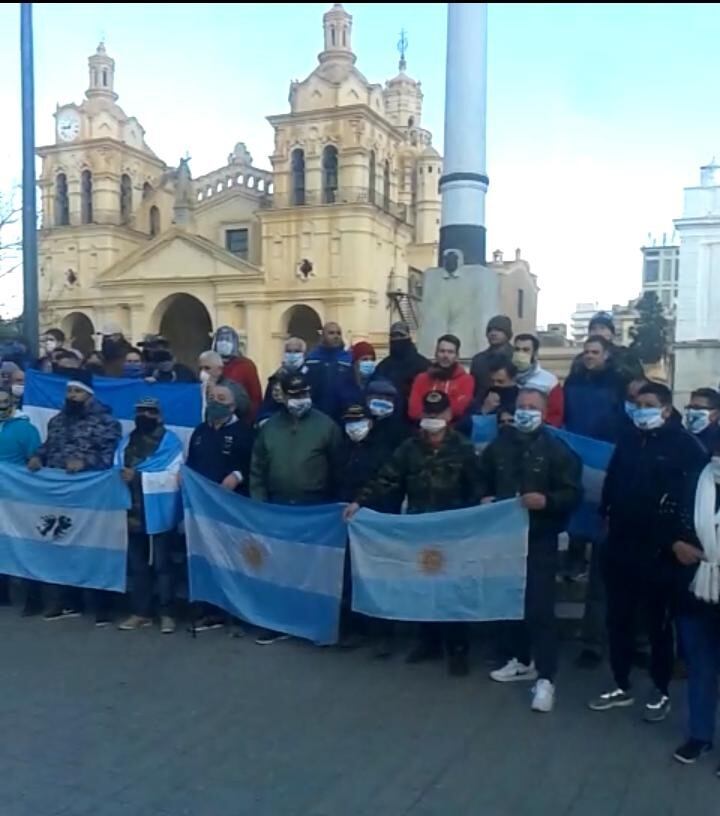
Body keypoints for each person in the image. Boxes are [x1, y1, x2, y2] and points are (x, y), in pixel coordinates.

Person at [588, 382, 708, 721]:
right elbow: (612, 481)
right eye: (637, 403)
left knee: (657, 624)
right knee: (619, 619)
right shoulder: (628, 438)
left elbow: (690, 502)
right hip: (620, 545)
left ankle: (661, 688)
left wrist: (677, 540)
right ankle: (620, 683)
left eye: (649, 404)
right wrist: (605, 516)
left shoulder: (686, 447)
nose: (641, 409)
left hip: (660, 550)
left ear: (667, 409)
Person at [345, 391, 481, 676]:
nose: (432, 420)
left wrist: (480, 513)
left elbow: (476, 488)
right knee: (424, 586)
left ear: (448, 416)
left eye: (437, 415)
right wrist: (360, 501)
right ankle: (427, 642)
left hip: (452, 529)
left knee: (452, 589)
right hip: (419, 527)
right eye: (427, 415)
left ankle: (458, 649)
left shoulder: (463, 448)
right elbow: (388, 477)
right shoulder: (410, 447)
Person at [482, 389, 583, 713]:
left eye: (532, 408)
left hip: (540, 538)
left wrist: (548, 501)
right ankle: (520, 659)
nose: (525, 412)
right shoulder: (499, 446)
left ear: (544, 413)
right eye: (521, 407)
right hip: (504, 539)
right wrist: (483, 496)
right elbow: (478, 478)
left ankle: (546, 677)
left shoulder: (557, 450)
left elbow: (573, 493)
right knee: (509, 600)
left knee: (540, 607)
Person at [250, 372, 343, 645]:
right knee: (277, 566)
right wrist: (259, 504)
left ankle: (313, 622)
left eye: (303, 394)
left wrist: (334, 506)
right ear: (284, 397)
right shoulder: (270, 428)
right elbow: (257, 468)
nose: (299, 400)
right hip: (277, 506)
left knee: (313, 569)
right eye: (294, 395)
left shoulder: (326, 427)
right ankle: (277, 622)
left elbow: (338, 468)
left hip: (314, 508)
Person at [27, 370, 122, 623]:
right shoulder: (58, 421)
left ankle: (102, 606)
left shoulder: (107, 422)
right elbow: (48, 446)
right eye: (69, 391)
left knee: (93, 548)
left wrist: (85, 462)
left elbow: (110, 457)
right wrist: (38, 457)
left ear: (89, 394)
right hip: (59, 495)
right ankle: (65, 601)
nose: (72, 395)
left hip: (91, 497)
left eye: (77, 391)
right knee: (59, 544)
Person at [669, 445, 720, 771]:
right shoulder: (694, 478)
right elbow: (669, 518)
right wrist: (676, 543)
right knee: (700, 667)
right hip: (695, 587)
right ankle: (699, 735)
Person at [116, 399, 183, 635]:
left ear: (160, 416)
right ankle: (140, 612)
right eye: (140, 411)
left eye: (150, 411)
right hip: (131, 511)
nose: (144, 415)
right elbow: (116, 467)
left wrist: (137, 476)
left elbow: (174, 475)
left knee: (163, 565)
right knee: (138, 565)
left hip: (159, 510)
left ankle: (167, 613)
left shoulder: (171, 442)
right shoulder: (126, 441)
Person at [0, 388, 42, 609]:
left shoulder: (26, 429)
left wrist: (35, 459)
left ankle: (32, 597)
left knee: (23, 543)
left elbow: (36, 458)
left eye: (5, 402)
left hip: (17, 497)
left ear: (13, 403)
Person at [563, 335, 625, 444]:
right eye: (586, 352)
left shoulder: (618, 381)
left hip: (607, 445)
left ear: (606, 355)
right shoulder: (572, 380)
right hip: (574, 442)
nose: (589, 356)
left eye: (595, 352)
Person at [408, 334, 475, 423]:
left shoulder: (466, 380)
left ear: (457, 356)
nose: (445, 355)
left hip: (453, 430)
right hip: (423, 429)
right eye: (442, 351)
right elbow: (413, 411)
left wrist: (430, 414)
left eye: (450, 352)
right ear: (436, 354)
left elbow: (459, 408)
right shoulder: (421, 379)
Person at [373, 321, 430, 415]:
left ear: (408, 337)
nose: (397, 339)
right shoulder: (383, 366)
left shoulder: (423, 365)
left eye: (400, 335)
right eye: (393, 336)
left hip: (414, 421)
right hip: (387, 419)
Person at [304, 322, 354, 421]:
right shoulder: (311, 359)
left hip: (342, 416)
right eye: (331, 333)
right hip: (316, 415)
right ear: (323, 336)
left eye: (338, 333)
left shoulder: (348, 359)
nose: (336, 336)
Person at [512, 334, 564, 427]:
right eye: (517, 349)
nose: (520, 353)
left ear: (535, 354)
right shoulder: (506, 376)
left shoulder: (549, 380)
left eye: (526, 350)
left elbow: (555, 415)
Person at [212, 326, 262, 419]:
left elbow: (256, 397)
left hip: (241, 417)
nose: (223, 342)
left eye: (227, 339)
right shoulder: (210, 363)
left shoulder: (246, 365)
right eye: (220, 339)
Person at [258, 337, 309, 424]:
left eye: (297, 351)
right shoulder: (276, 378)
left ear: (303, 354)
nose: (292, 355)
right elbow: (268, 405)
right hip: (281, 422)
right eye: (289, 351)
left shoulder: (310, 376)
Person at [469, 315, 514, 400]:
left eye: (499, 330)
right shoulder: (478, 360)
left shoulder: (516, 358)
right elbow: (475, 391)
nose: (493, 333)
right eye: (490, 330)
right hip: (483, 407)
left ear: (507, 333)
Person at [198, 350, 250, 419]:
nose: (203, 372)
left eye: (207, 368)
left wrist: (215, 391)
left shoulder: (233, 387)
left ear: (219, 369)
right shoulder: (198, 387)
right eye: (200, 368)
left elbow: (244, 408)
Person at [339, 341, 377, 411]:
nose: (369, 363)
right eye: (364, 359)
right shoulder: (342, 385)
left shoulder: (377, 384)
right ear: (355, 362)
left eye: (372, 360)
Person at [684, 387, 720, 454]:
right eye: (690, 407)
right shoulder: (680, 437)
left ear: (715, 414)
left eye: (697, 408)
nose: (691, 411)